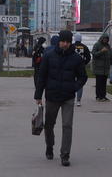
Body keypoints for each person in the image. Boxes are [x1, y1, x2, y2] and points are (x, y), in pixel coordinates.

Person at [34, 29, 88, 166]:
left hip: (68, 97)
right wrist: (38, 95)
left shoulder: (76, 58)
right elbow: (42, 76)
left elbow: (83, 77)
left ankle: (65, 155)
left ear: (70, 43)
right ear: (59, 41)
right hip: (52, 96)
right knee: (49, 125)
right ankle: (49, 146)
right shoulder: (49, 55)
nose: (64, 44)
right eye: (63, 41)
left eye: (67, 42)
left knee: (67, 125)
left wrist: (74, 87)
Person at [72, 36, 91, 106]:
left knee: (71, 82)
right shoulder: (85, 47)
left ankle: (71, 98)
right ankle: (78, 101)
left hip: (72, 67)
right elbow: (88, 57)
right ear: (80, 39)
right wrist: (84, 63)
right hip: (81, 67)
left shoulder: (72, 46)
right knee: (80, 83)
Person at [91, 34, 111, 101]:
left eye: (106, 39)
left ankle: (103, 96)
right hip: (98, 68)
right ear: (102, 38)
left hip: (105, 68)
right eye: (104, 38)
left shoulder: (108, 46)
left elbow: (109, 54)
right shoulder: (97, 45)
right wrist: (101, 51)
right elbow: (94, 54)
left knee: (104, 83)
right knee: (99, 83)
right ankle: (98, 96)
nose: (105, 40)